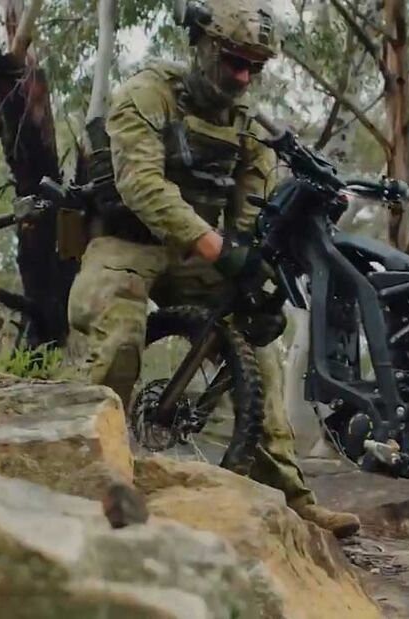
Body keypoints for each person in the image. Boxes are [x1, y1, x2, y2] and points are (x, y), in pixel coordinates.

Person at [63, 0, 360, 538]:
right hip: (126, 242)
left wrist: (253, 277)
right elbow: (142, 187)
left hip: (197, 253)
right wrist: (219, 249)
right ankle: (86, 480)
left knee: (259, 351)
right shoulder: (146, 95)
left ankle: (291, 498)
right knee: (119, 339)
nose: (243, 77)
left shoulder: (250, 128)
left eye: (255, 67)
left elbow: (251, 216)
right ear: (201, 45)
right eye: (233, 61)